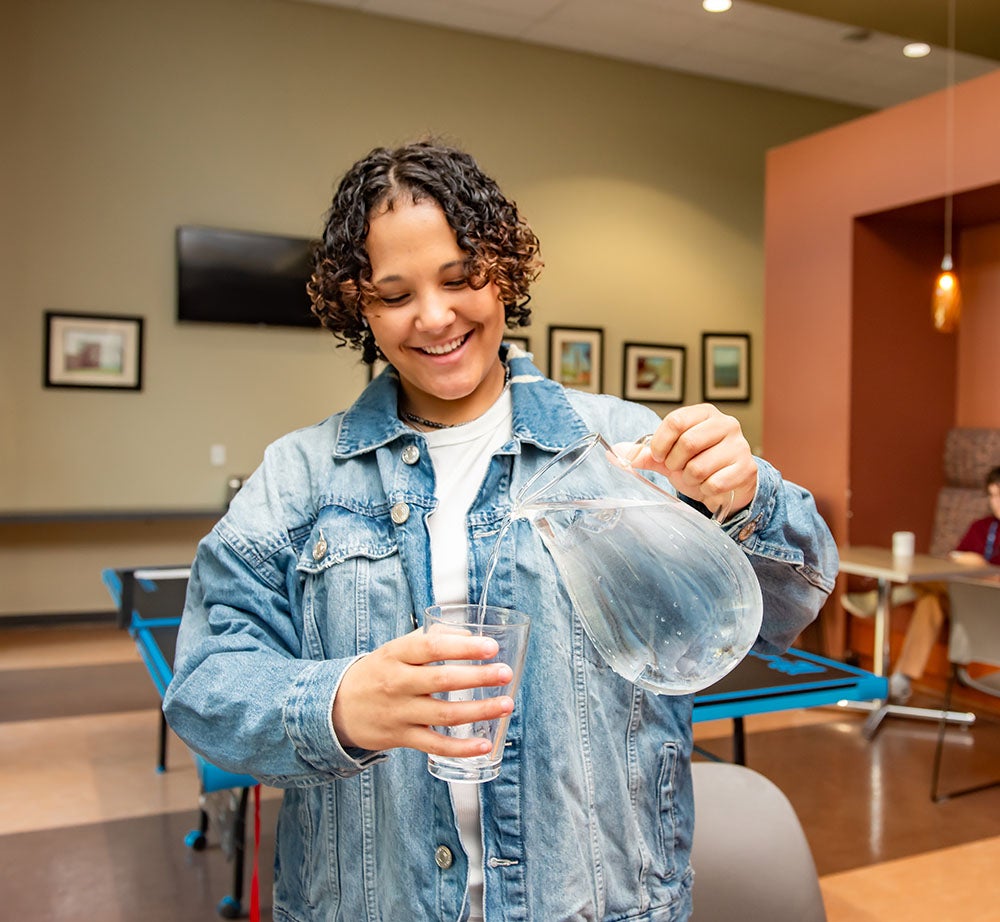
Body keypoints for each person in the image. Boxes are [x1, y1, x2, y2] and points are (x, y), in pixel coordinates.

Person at [163, 140, 839, 922]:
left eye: (459, 278)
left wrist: (745, 495)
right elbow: (206, 685)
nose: (435, 316)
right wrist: (342, 702)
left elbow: (786, 614)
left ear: (503, 270)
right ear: (360, 303)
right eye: (395, 293)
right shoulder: (299, 480)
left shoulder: (622, 447)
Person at [843, 465, 1000, 702]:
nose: (996, 501)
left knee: (932, 594)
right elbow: (952, 561)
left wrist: (982, 567)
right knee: (931, 601)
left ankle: (891, 596)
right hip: (960, 597)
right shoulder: (982, 526)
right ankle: (901, 680)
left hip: (991, 602)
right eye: (992, 495)